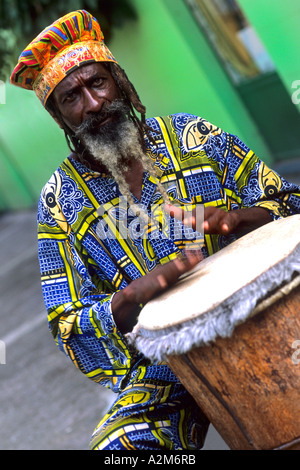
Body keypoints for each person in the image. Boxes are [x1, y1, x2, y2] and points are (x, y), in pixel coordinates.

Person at [11, 10, 300, 451]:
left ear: (120, 82)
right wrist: (131, 298)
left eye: (97, 83)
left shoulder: (193, 136)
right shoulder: (60, 203)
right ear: (60, 117)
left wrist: (240, 218)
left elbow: (290, 203)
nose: (91, 104)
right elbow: (67, 323)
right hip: (167, 364)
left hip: (260, 315)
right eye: (71, 97)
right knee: (119, 450)